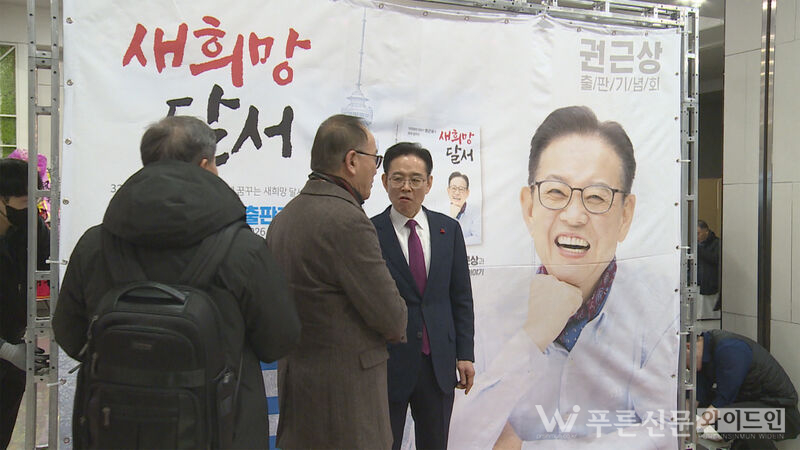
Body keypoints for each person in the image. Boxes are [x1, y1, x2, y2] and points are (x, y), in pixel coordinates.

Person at [52, 116, 300, 449]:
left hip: (116, 429)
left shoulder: (94, 244)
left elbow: (69, 334)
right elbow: (279, 339)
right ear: (204, 165)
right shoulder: (244, 249)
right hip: (223, 430)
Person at [450, 106, 678, 449]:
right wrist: (531, 337)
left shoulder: (660, 310)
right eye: (556, 192)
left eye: (597, 197)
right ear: (529, 207)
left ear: (625, 215)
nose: (574, 215)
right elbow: (454, 434)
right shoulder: (484, 305)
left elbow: (665, 432)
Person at [266, 114, 408, 449]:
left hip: (299, 397)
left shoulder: (284, 218)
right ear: (352, 161)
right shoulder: (348, 221)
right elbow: (392, 318)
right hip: (346, 408)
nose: (375, 170)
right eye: (375, 159)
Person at [371, 143, 475, 450]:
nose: (406, 187)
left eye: (415, 179)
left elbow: (461, 297)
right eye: (398, 178)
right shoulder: (369, 231)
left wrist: (465, 354)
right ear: (384, 181)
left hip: (437, 362)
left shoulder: (449, 230)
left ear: (429, 183)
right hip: (388, 362)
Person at [0, 158, 49, 449]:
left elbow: (45, 278)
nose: (31, 208)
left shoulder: (33, 232)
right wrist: (6, 351)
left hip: (13, 354)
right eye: (23, 201)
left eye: (35, 200)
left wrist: (40, 326)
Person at [693, 330, 800, 449]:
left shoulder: (730, 349)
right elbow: (697, 396)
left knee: (731, 416)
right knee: (706, 408)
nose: (687, 368)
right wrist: (683, 425)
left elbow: (723, 400)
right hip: (752, 405)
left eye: (684, 364)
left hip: (783, 415)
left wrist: (696, 429)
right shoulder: (705, 356)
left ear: (688, 348)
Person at [446, 171, 480, 245]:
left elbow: (477, 238)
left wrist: (455, 242)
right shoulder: (439, 212)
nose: (457, 192)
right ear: (448, 191)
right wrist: (452, 217)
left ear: (467, 192)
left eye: (461, 189)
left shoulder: (476, 211)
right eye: (454, 188)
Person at [697, 220, 721, 319]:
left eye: (698, 233)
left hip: (711, 282)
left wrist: (700, 251)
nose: (697, 237)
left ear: (706, 231)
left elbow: (716, 259)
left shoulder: (717, 243)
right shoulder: (696, 245)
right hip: (698, 282)